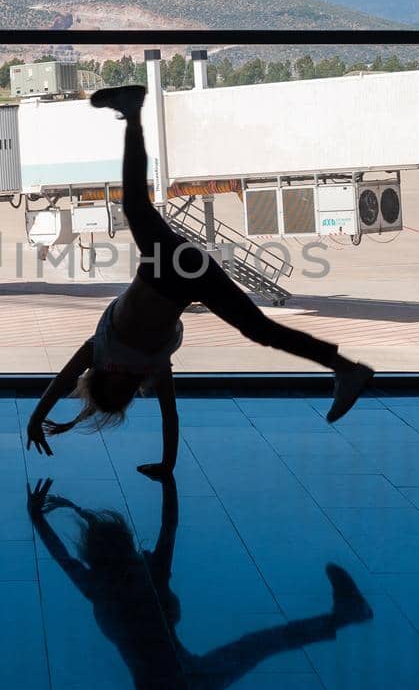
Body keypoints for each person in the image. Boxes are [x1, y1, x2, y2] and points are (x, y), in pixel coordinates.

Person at [26, 84, 373, 477]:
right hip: (173, 268)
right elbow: (94, 389)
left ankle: (346, 368)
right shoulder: (127, 360)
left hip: (179, 271)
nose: (124, 381)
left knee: (259, 328)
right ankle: (344, 368)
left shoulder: (127, 360)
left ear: (111, 380)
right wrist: (40, 418)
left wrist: (42, 419)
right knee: (138, 207)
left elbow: (79, 386)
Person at [28, 476, 373, 690]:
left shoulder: (97, 585)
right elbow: (169, 526)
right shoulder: (149, 575)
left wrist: (38, 517)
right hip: (191, 679)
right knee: (262, 643)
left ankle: (344, 615)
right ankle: (344, 615)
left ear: (93, 555)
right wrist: (167, 481)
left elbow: (63, 556)